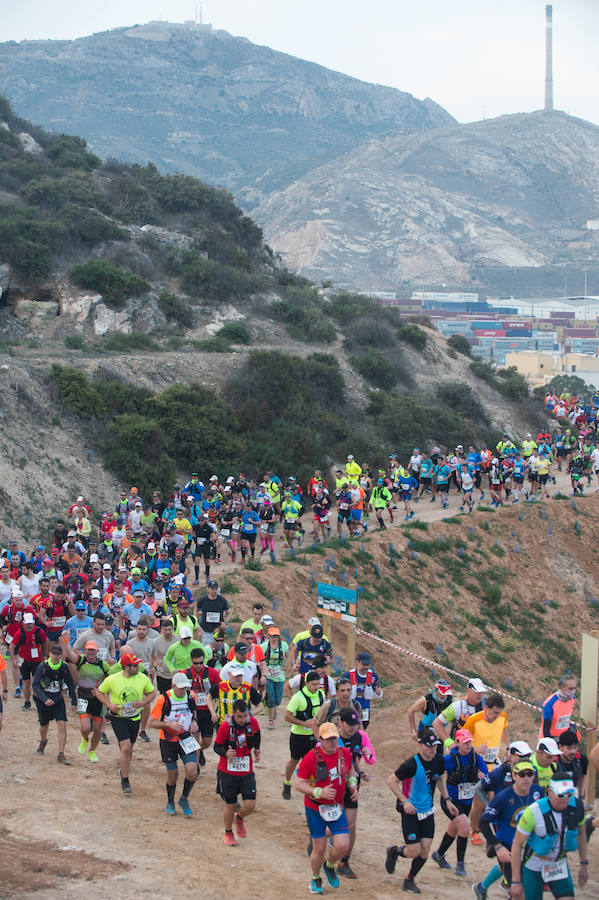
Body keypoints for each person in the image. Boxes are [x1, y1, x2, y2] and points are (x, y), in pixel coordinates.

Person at [385, 728, 457, 894]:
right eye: (429, 746)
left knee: (425, 849)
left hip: (427, 811)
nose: (432, 750)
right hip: (410, 811)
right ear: (420, 745)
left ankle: (409, 880)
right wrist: (405, 802)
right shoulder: (411, 764)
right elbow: (391, 781)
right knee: (413, 851)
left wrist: (447, 800)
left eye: (435, 746)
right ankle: (394, 851)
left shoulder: (438, 760)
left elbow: (439, 779)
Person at [295, 721, 358, 895]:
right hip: (316, 809)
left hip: (337, 807)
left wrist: (352, 785)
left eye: (334, 739)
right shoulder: (311, 757)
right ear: (321, 739)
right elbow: (299, 784)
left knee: (342, 845)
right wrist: (318, 791)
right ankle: (315, 878)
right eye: (328, 739)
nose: (332, 742)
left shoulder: (344, 753)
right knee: (320, 848)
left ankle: (329, 866)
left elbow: (350, 771)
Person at [473, 759, 546, 899]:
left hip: (530, 847)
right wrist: (497, 846)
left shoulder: (538, 792)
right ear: (514, 776)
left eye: (529, 774)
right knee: (520, 892)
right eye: (521, 774)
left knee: (531, 891)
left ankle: (481, 887)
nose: (526, 778)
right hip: (507, 847)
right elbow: (483, 822)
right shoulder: (503, 797)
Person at [510, 777, 588, 900]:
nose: (566, 799)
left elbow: (581, 833)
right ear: (550, 793)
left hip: (558, 864)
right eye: (561, 794)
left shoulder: (577, 807)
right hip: (533, 866)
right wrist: (516, 881)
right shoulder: (533, 812)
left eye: (570, 794)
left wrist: (584, 864)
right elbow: (517, 845)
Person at [95, 651, 156, 794]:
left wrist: (143, 702)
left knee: (130, 748)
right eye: (135, 665)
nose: (138, 667)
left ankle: (123, 768)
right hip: (119, 717)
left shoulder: (142, 678)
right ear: (126, 667)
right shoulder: (113, 679)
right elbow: (99, 692)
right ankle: (125, 779)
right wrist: (109, 705)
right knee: (126, 747)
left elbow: (152, 693)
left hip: (135, 717)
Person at [431, 729, 488, 877]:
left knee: (454, 829)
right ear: (457, 743)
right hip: (450, 800)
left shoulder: (476, 758)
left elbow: (487, 775)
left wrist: (483, 777)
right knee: (464, 828)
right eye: (465, 743)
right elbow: (435, 772)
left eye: (469, 742)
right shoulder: (450, 759)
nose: (468, 745)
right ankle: (460, 864)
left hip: (467, 800)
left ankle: (439, 854)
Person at [149, 671, 199, 816]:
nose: (184, 691)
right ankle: (170, 801)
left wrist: (194, 723)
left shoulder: (191, 696)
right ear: (173, 686)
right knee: (173, 774)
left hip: (186, 738)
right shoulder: (164, 699)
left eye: (185, 688)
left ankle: (184, 798)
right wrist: (169, 724)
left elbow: (193, 712)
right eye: (181, 688)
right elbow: (150, 723)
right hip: (168, 740)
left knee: (192, 771)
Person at [214, 698, 260, 846]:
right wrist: (225, 753)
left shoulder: (252, 723)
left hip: (246, 770)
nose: (242, 719)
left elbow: (257, 735)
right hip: (228, 772)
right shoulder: (225, 727)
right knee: (230, 805)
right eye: (239, 716)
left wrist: (257, 750)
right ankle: (228, 832)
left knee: (250, 805)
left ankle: (239, 818)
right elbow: (216, 746)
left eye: (245, 715)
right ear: (233, 714)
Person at [62, 637, 110, 762]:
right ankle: (85, 739)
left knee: (98, 730)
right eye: (89, 650)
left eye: (93, 650)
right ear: (85, 650)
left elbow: (110, 679)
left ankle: (92, 751)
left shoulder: (102, 664)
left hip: (98, 699)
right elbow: (70, 655)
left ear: (97, 651)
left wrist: (102, 692)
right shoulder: (81, 660)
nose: (91, 653)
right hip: (83, 697)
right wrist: (66, 641)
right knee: (85, 728)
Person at [335, 707, 370, 879]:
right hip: (333, 786)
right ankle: (317, 838)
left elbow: (355, 758)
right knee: (332, 821)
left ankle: (344, 862)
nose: (353, 728)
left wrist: (361, 772)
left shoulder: (357, 737)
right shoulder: (331, 738)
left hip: (352, 786)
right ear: (340, 722)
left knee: (351, 824)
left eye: (355, 724)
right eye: (349, 724)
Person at [283, 669, 325, 799]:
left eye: (318, 684)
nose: (316, 687)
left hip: (315, 735)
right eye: (313, 684)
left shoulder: (321, 694)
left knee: (315, 761)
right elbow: (287, 717)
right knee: (294, 760)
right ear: (306, 683)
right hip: (299, 736)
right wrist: (304, 723)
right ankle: (287, 783)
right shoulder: (298, 698)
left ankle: (311, 789)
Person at [32, 643, 77, 764]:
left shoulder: (64, 667)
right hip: (44, 699)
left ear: (61, 655)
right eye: (54, 654)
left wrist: (74, 701)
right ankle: (43, 740)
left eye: (58, 654)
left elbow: (70, 683)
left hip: (57, 699)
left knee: (62, 724)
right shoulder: (43, 666)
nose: (56, 657)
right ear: (49, 655)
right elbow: (35, 684)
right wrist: (44, 698)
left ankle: (61, 753)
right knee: (44, 725)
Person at [183, 647, 220, 765]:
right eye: (195, 663)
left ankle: (199, 751)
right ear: (191, 661)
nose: (198, 666)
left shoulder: (212, 673)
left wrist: (216, 708)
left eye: (200, 663)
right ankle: (196, 766)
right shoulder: (185, 673)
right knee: (194, 738)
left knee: (207, 741)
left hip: (207, 711)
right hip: (191, 711)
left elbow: (219, 690)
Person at [9, 612, 47, 711]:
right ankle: (27, 702)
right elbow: (11, 646)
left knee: (37, 682)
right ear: (23, 623)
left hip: (37, 661)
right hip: (24, 661)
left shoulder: (39, 632)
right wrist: (13, 659)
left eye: (31, 623)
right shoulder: (19, 633)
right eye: (27, 624)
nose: (29, 625)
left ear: (34, 623)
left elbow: (44, 643)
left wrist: (44, 655)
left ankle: (39, 701)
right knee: (26, 683)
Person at [463, 692, 509, 770]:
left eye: (499, 713)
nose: (497, 716)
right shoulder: (474, 720)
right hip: (477, 765)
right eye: (495, 713)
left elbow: (504, 729)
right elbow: (461, 742)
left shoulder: (503, 716)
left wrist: (508, 747)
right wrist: (475, 749)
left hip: (494, 764)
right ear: (487, 708)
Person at [342, 651, 382, 729]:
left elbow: (377, 691)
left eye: (367, 665)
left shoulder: (373, 676)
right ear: (358, 662)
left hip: (365, 708)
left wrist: (378, 692)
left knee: (364, 727)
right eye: (364, 664)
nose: (366, 667)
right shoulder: (348, 675)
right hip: (350, 707)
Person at [260, 625, 288, 728]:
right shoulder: (264, 646)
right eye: (272, 636)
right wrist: (263, 671)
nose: (274, 638)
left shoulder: (283, 645)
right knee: (271, 698)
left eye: (276, 636)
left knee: (278, 700)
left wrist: (285, 665)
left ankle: (273, 708)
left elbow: (289, 655)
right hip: (269, 676)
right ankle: (271, 721)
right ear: (268, 636)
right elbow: (260, 659)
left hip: (279, 676)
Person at [540, 675, 578, 741]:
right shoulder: (550, 703)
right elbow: (546, 729)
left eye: (574, 688)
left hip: (564, 738)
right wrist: (553, 741)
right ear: (561, 687)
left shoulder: (572, 699)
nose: (573, 691)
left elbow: (565, 717)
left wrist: (571, 727)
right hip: (550, 739)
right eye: (570, 688)